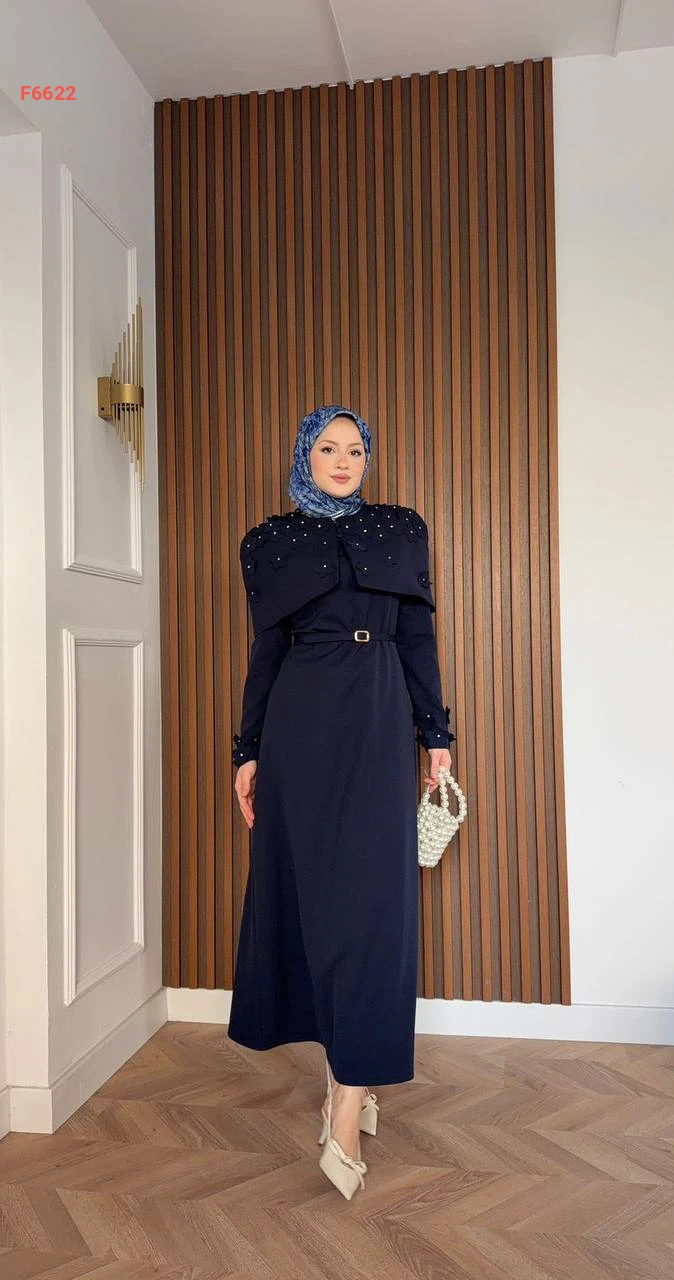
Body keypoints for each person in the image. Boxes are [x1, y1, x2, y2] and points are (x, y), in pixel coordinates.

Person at [229, 404, 456, 1200]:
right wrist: (248, 750)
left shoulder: (399, 529)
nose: (342, 460)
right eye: (327, 448)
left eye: (355, 450)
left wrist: (436, 735)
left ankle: (350, 1094)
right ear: (304, 455)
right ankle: (344, 1076)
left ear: (368, 459)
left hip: (379, 721)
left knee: (373, 910)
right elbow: (265, 653)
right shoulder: (271, 540)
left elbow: (418, 638)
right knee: (312, 903)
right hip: (299, 730)